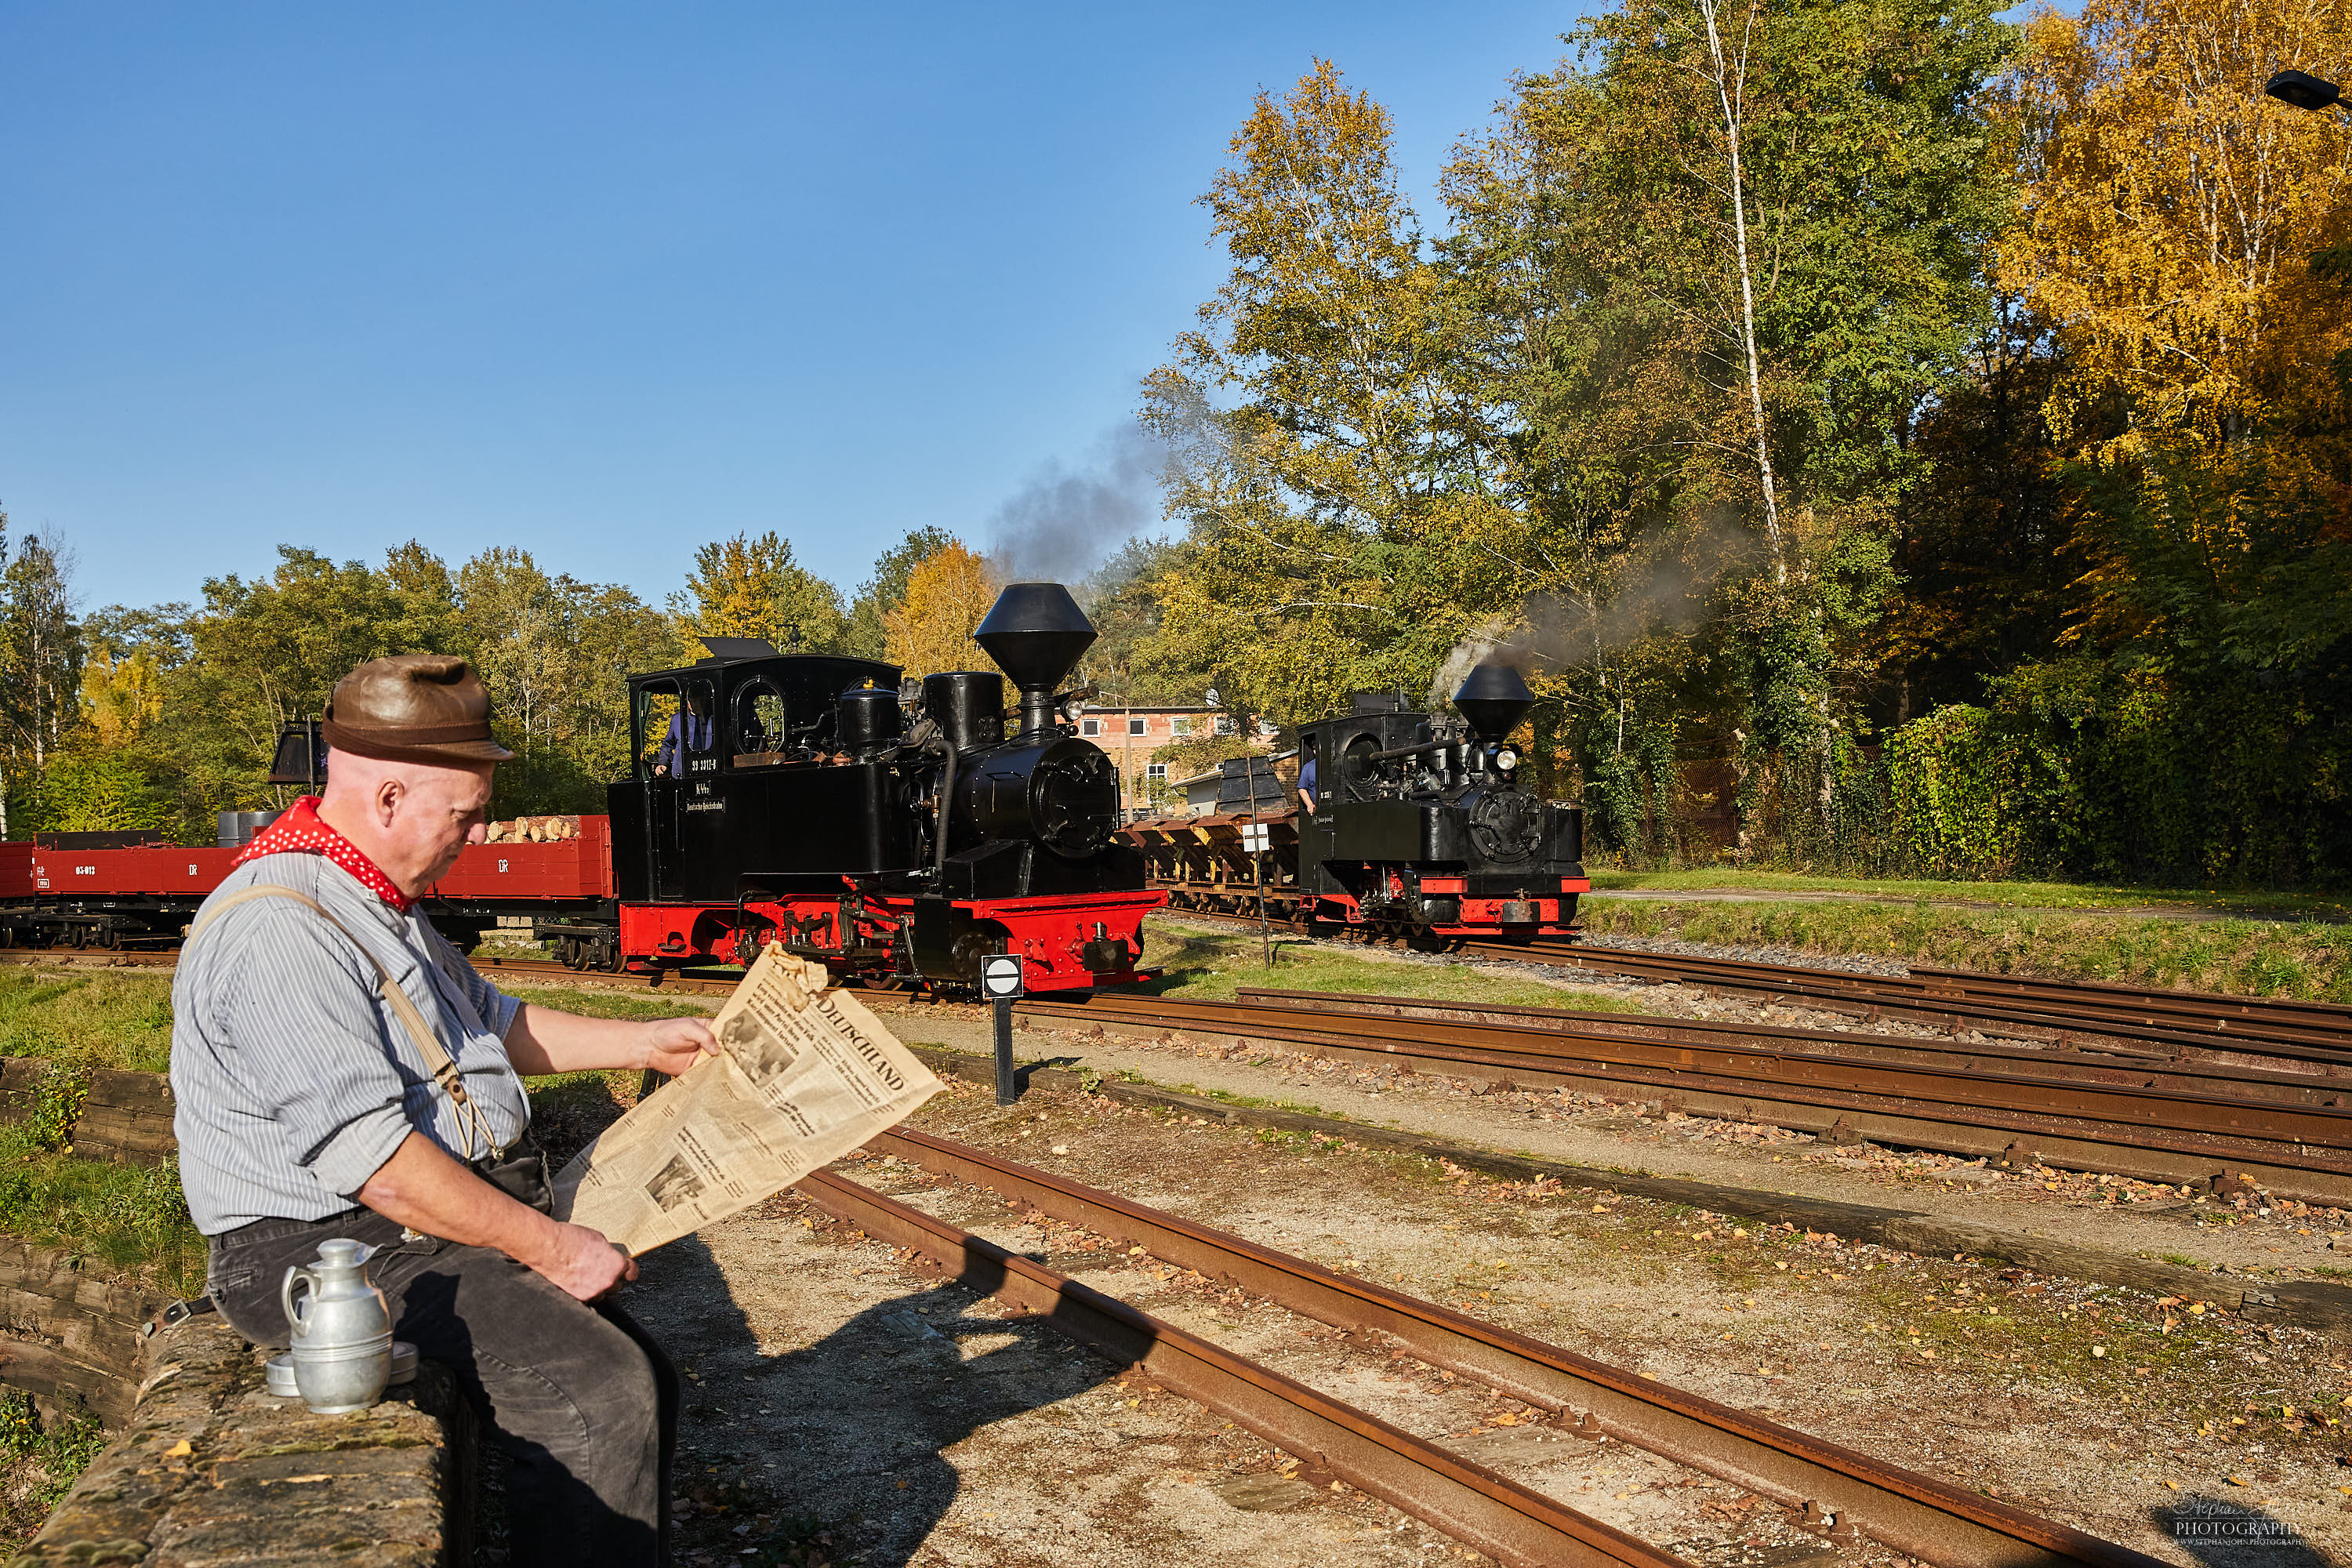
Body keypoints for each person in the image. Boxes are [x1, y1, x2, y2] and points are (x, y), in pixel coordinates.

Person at [172, 653, 717, 1568]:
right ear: (388, 797)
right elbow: (377, 1161)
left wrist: (642, 1040)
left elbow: (490, 1026)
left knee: (641, 1370)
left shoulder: (374, 897)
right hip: (320, 1248)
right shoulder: (282, 927)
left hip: (405, 1225)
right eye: (462, 815)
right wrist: (553, 1245)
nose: (474, 835)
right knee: (599, 1388)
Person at [653, 688, 713, 775]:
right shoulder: (677, 720)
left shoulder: (714, 720)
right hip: (681, 775)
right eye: (693, 700)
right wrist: (663, 763)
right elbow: (667, 744)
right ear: (687, 701)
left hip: (708, 772)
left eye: (699, 700)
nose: (696, 704)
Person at [1296, 746, 1318, 815]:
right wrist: (1310, 804)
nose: (1315, 751)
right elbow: (1302, 788)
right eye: (1314, 749)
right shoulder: (1308, 767)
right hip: (1317, 811)